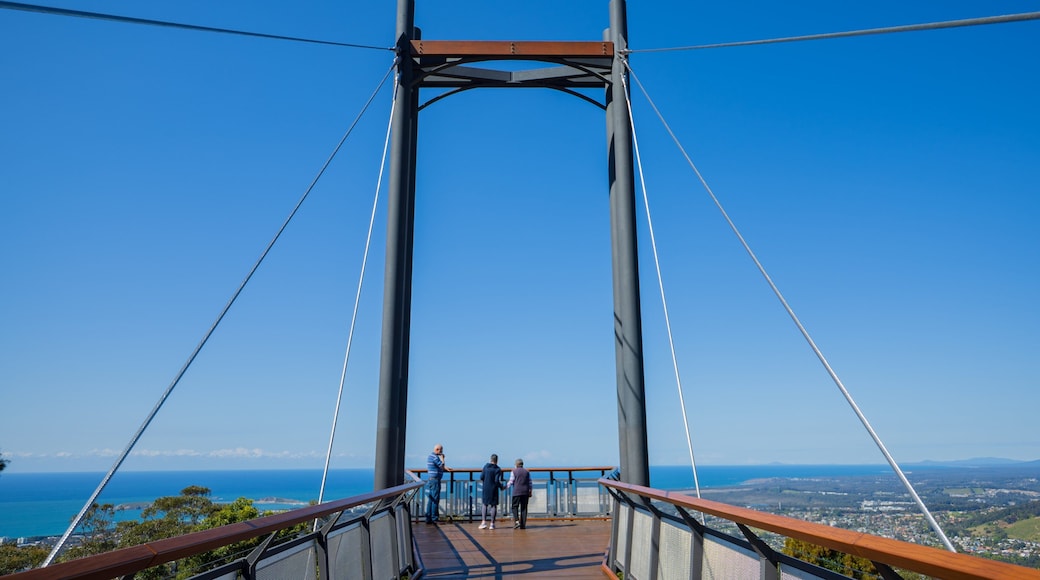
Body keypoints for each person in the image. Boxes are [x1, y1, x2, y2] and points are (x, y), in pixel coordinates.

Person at [478, 454, 505, 530]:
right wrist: (501, 486)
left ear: (490, 459)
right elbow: (497, 480)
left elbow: (481, 477)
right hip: (494, 488)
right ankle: (492, 524)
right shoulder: (498, 469)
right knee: (493, 505)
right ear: (497, 460)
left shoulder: (486, 467)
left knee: (485, 504)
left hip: (486, 487)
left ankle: (483, 522)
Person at [425, 444, 449, 524]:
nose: (442, 452)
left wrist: (445, 467)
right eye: (441, 450)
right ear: (437, 449)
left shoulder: (431, 456)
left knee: (431, 499)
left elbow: (439, 466)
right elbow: (441, 466)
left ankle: (428, 518)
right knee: (435, 499)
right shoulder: (435, 457)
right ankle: (434, 518)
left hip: (432, 479)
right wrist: (443, 459)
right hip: (435, 480)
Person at [507, 458, 532, 529]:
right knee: (524, 508)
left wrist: (505, 487)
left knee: (514, 506)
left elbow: (511, 481)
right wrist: (530, 491)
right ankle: (523, 525)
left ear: (516, 465)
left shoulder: (513, 471)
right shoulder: (527, 472)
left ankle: (517, 521)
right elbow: (530, 483)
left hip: (516, 492)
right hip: (525, 492)